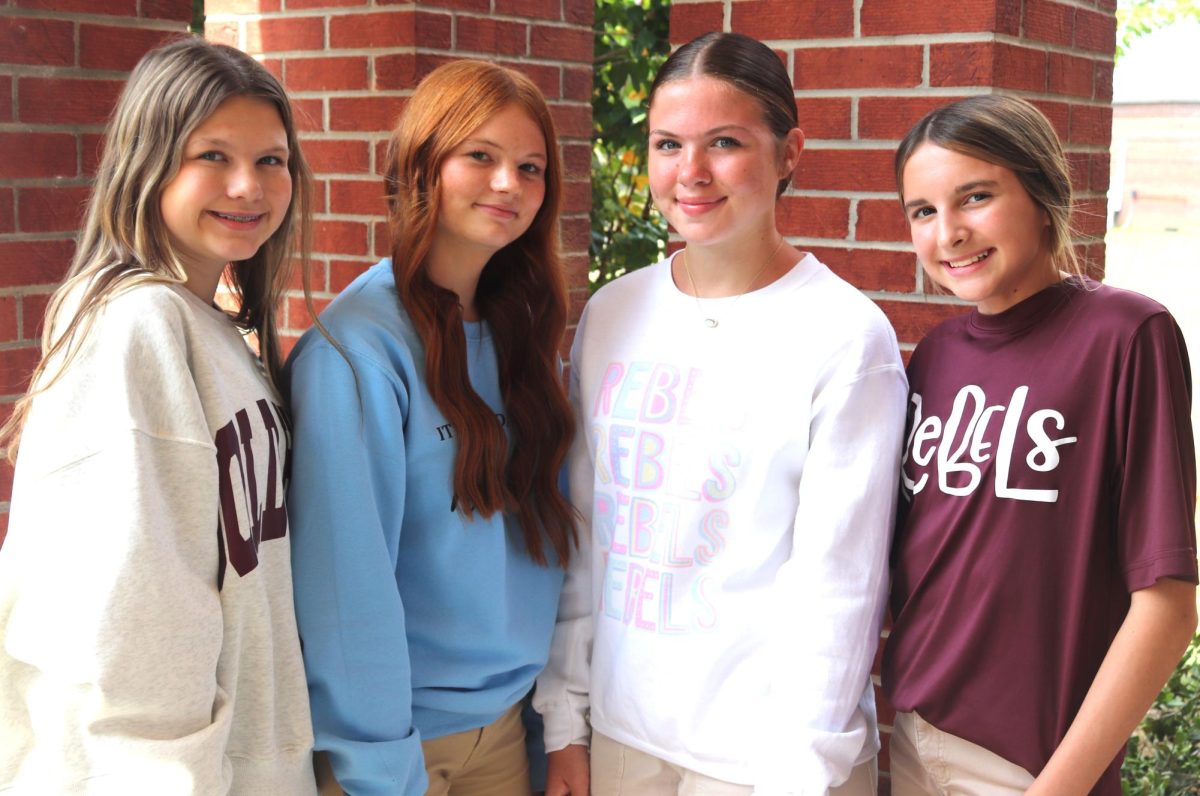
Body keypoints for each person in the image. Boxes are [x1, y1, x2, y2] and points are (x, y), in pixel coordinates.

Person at [535, 31, 908, 796]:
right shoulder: (614, 313)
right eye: (667, 145)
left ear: (790, 152)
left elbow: (840, 583)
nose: (690, 174)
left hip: (767, 761)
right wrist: (565, 721)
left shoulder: (843, 334)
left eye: (725, 143)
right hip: (622, 736)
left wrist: (804, 773)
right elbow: (584, 530)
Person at [0, 37, 318, 793]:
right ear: (148, 163)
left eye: (271, 160)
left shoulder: (204, 326)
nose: (248, 185)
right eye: (213, 155)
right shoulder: (135, 326)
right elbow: (131, 618)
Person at [883, 94, 1198, 795]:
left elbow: (1168, 603)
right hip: (913, 740)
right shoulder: (934, 356)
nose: (950, 233)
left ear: (1042, 192)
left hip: (1031, 766)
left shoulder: (1127, 336)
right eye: (924, 211)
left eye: (976, 197)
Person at [285, 59, 576, 796]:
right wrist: (379, 766)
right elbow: (345, 588)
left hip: (507, 732)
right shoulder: (356, 351)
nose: (510, 184)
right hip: (397, 751)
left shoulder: (521, 328)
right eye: (481, 156)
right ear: (423, 165)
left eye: (531, 166)